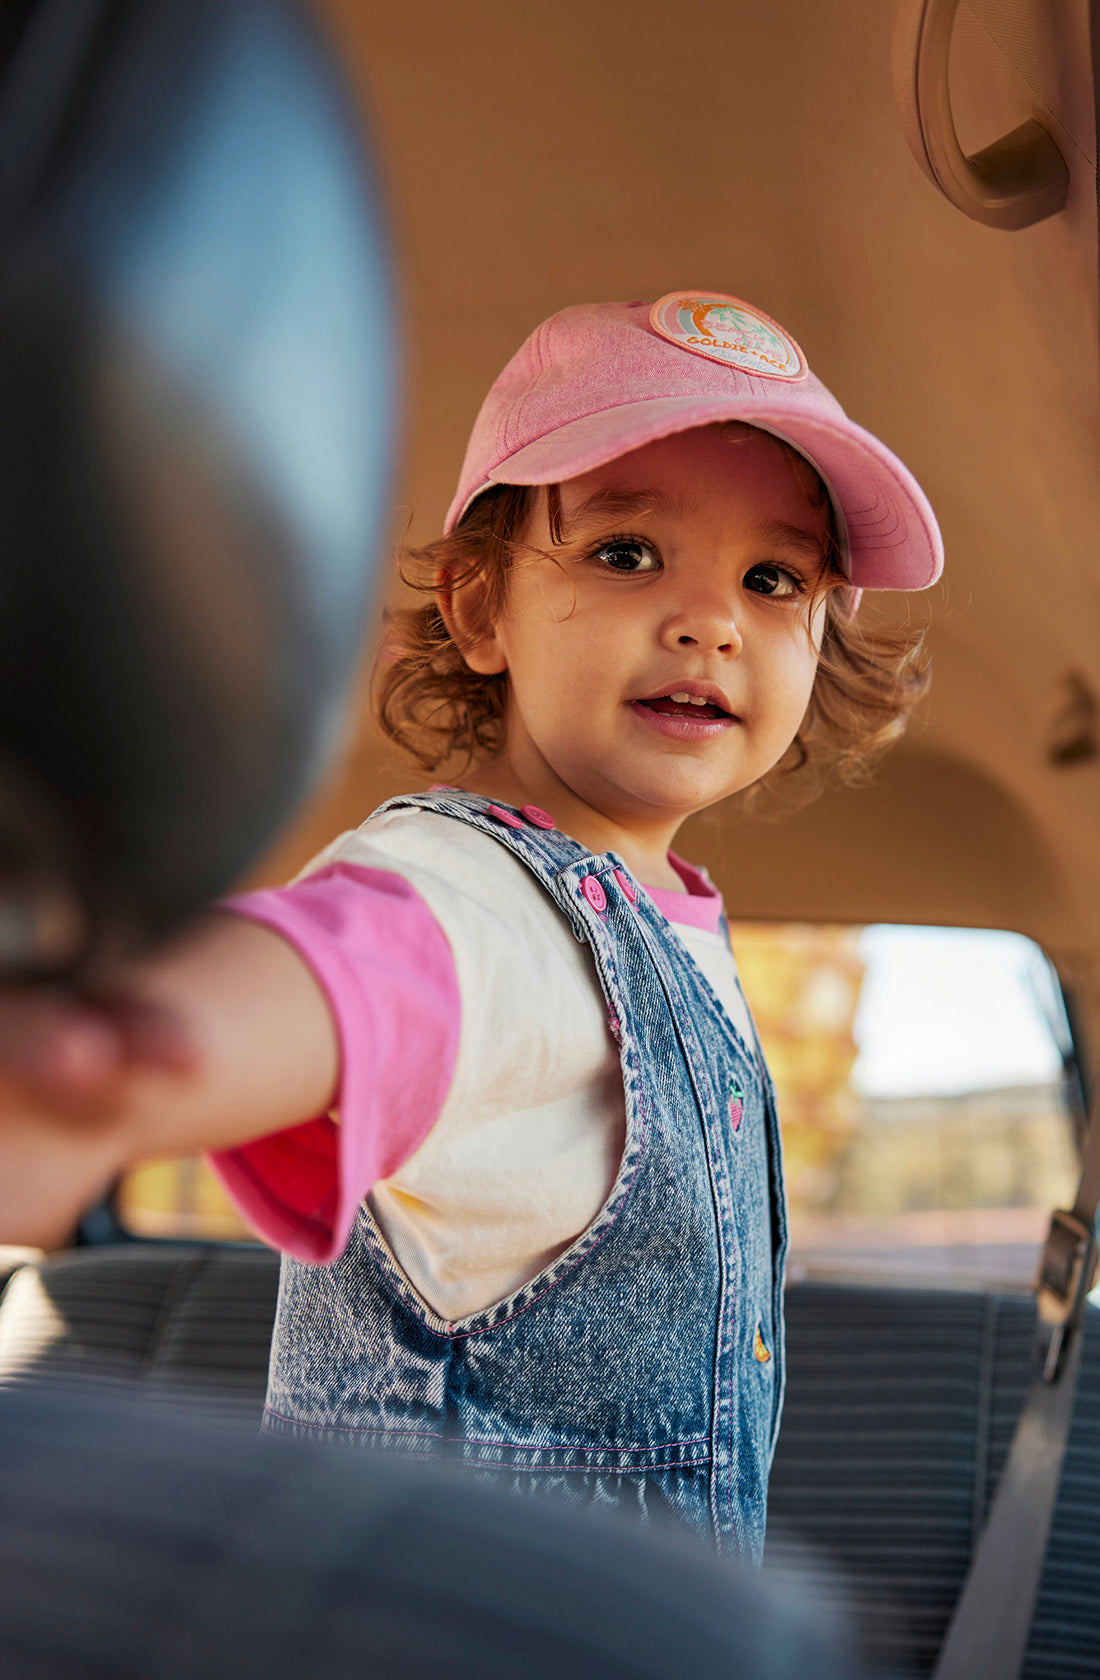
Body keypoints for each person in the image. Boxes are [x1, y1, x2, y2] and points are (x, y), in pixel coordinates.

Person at [0, 291, 941, 1559]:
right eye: (624, 552)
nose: (710, 618)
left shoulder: (671, 932)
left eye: (772, 579)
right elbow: (360, 965)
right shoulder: (478, 891)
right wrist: (126, 1057)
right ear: (478, 608)